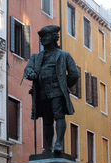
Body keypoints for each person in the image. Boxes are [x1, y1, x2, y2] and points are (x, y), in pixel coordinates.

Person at [24, 25, 79, 153]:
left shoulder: (64, 55)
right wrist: (31, 73)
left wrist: (63, 86)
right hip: (42, 91)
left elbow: (74, 74)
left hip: (57, 90)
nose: (43, 39)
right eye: (41, 37)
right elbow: (28, 68)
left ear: (54, 37)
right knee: (46, 119)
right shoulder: (36, 57)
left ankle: (58, 144)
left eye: (46, 36)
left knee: (59, 115)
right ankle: (48, 147)